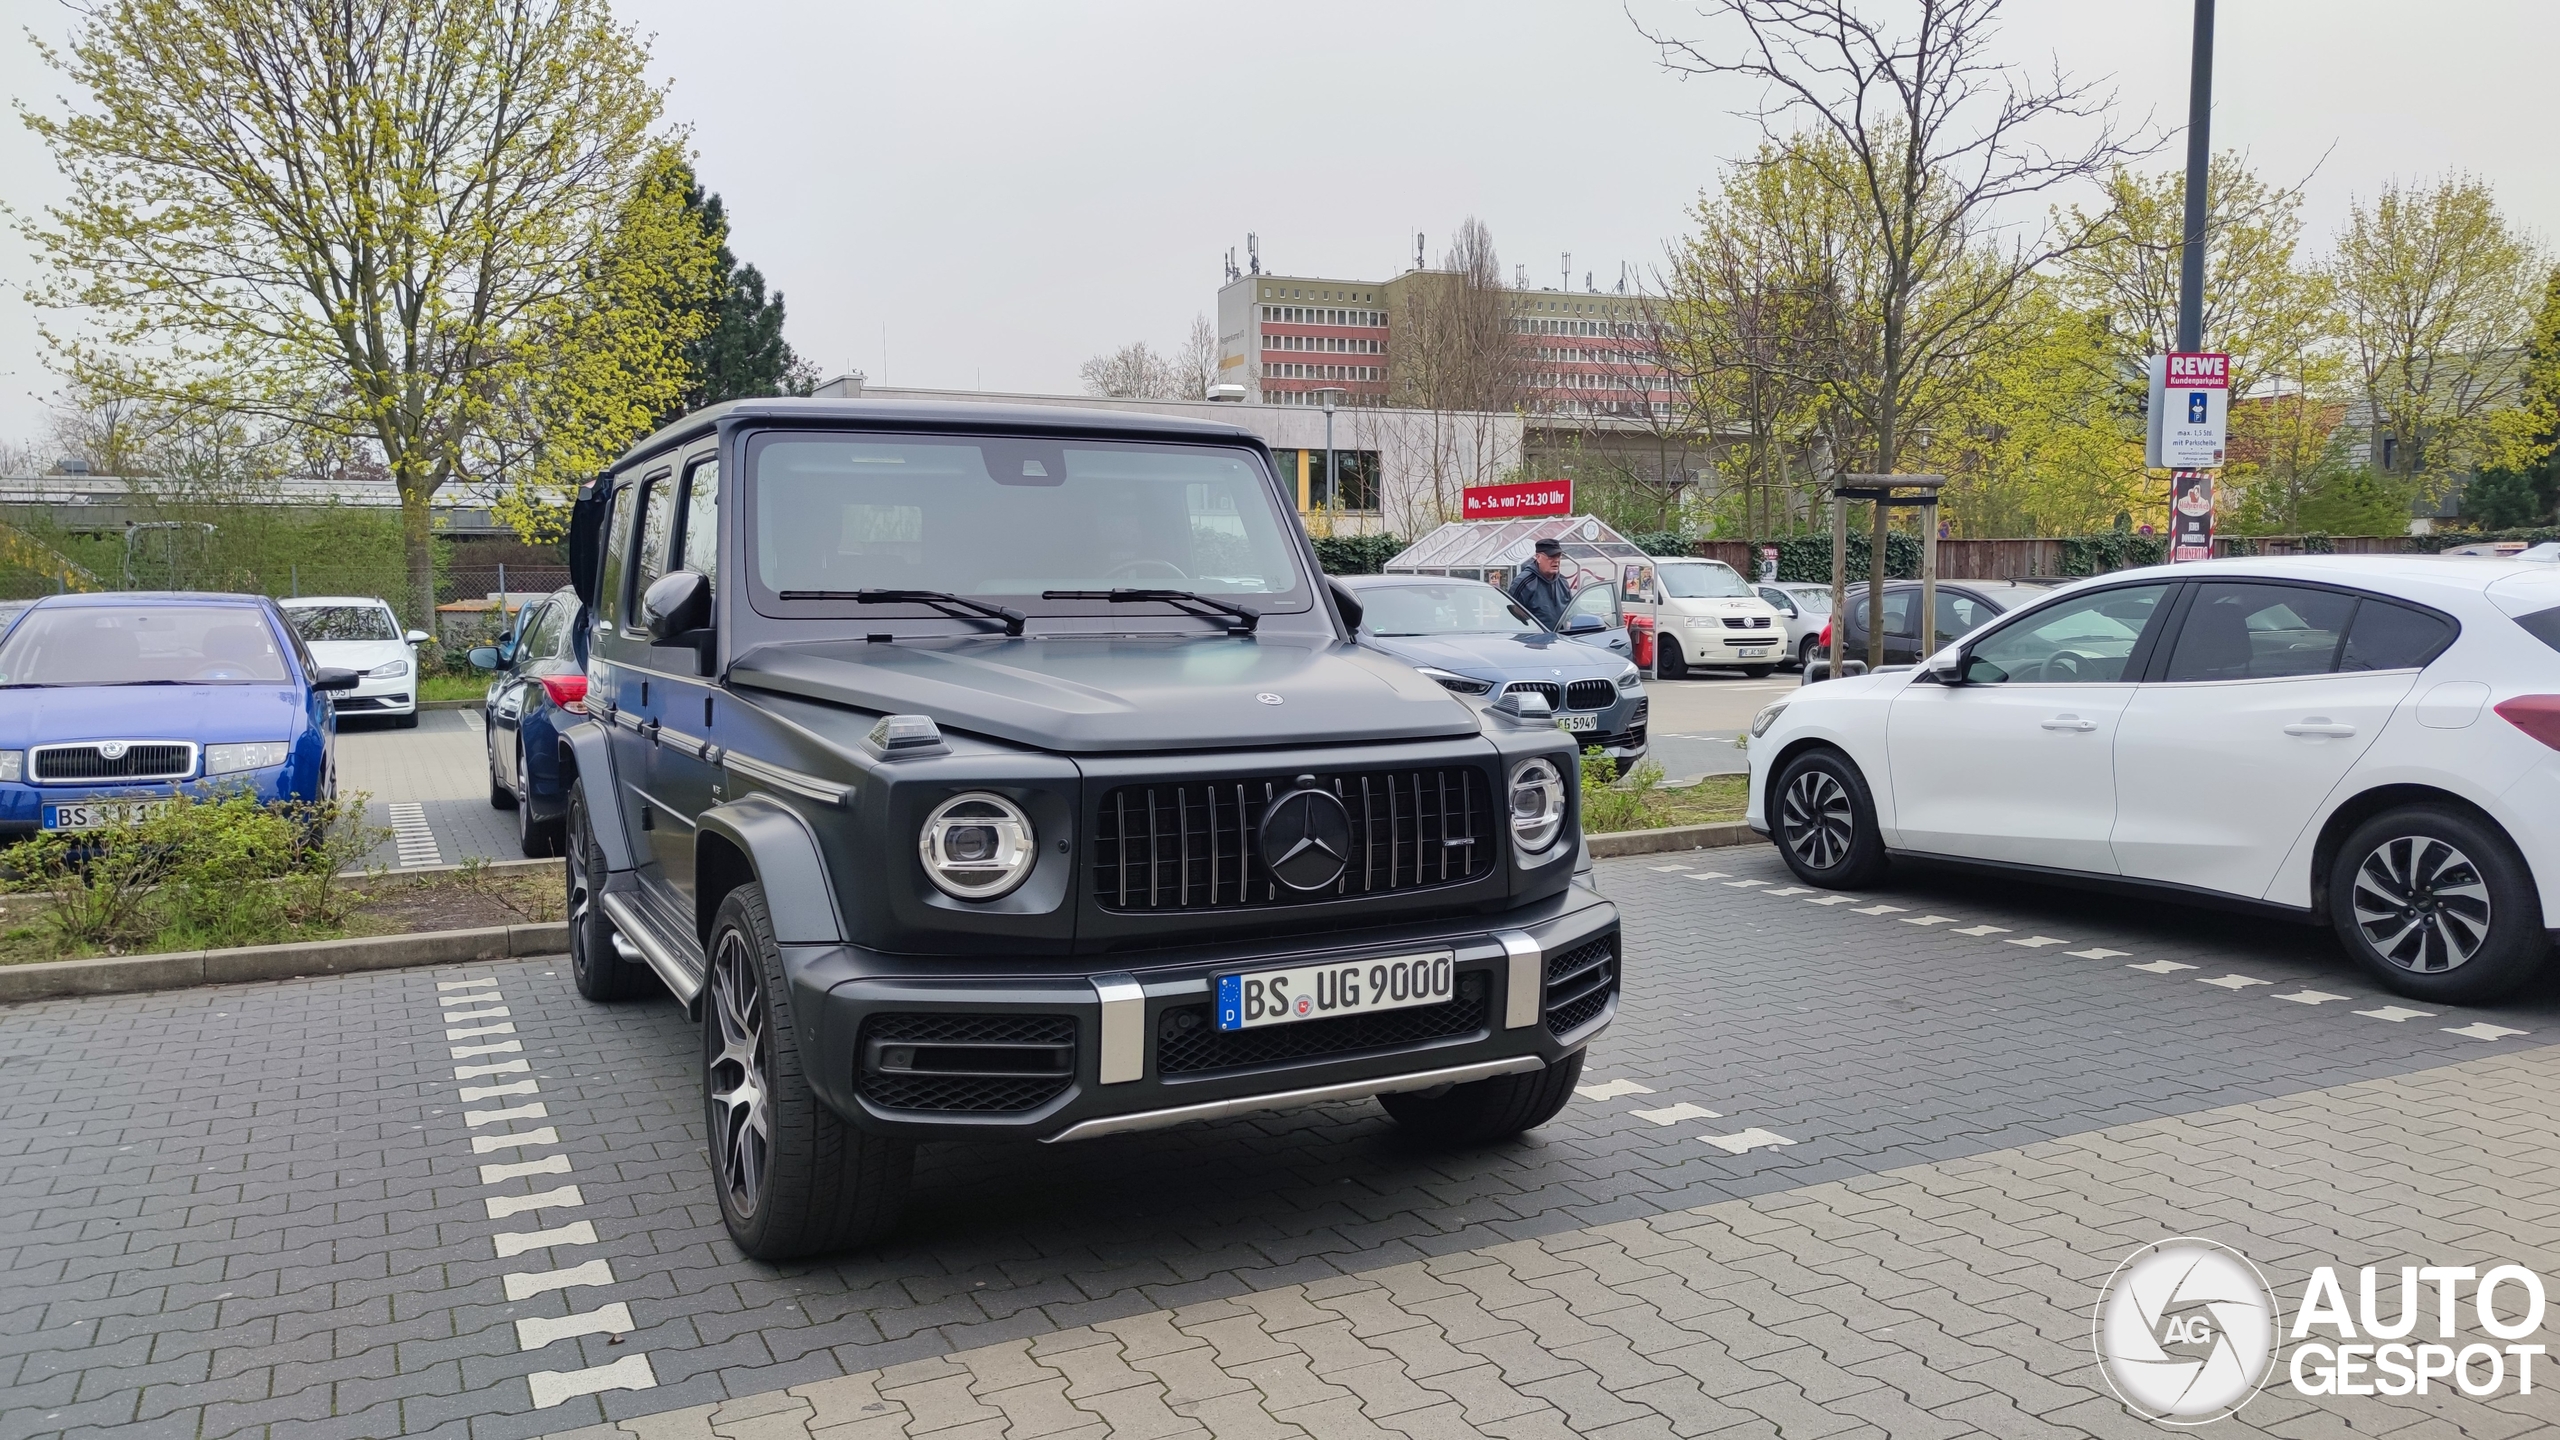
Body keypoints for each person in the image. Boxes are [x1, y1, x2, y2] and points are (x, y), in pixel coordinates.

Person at [1508, 538, 1573, 630]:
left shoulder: (1563, 582)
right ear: (1538, 557)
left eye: (1558, 556)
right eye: (1551, 557)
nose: (1556, 561)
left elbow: (1571, 612)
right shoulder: (1524, 582)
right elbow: (1510, 615)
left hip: (1560, 640)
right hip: (1532, 640)